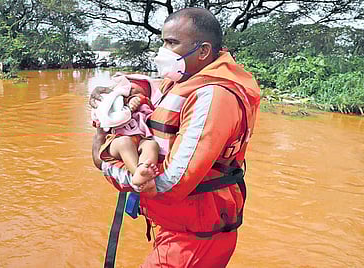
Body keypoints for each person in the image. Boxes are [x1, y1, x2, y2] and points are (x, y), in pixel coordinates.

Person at [90, 7, 260, 268]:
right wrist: (118, 96)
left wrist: (106, 165)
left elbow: (170, 183)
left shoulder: (213, 95)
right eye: (163, 42)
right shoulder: (185, 80)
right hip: (180, 226)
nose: (163, 52)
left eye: (172, 43)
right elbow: (153, 92)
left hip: (195, 238)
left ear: (203, 51)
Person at [92, 74, 160, 193]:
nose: (132, 91)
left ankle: (143, 170)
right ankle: (137, 174)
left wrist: (141, 100)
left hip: (141, 139)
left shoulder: (146, 106)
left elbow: (151, 106)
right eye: (130, 88)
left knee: (152, 145)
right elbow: (102, 115)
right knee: (124, 142)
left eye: (138, 89)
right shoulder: (116, 104)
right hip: (117, 141)